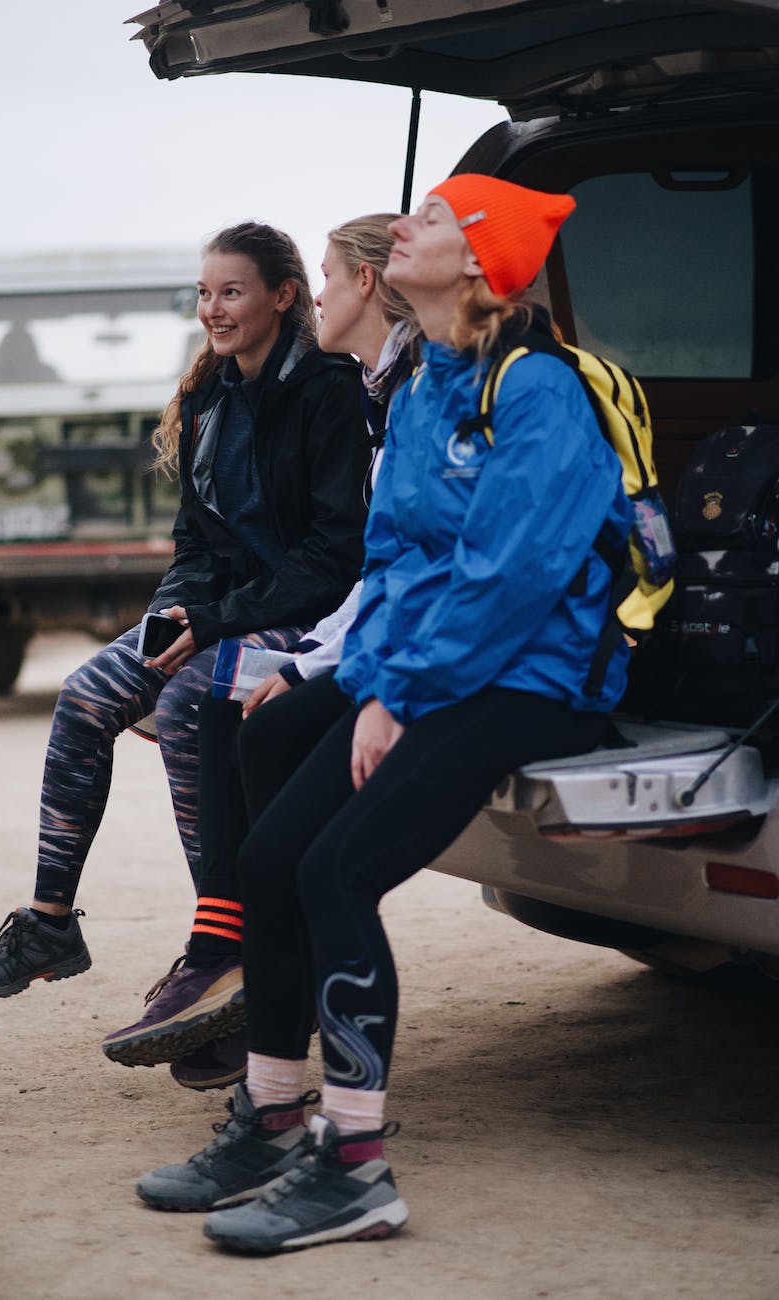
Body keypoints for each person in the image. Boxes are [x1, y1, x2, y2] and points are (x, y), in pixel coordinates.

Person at [136, 175, 635, 1254]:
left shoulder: (535, 388)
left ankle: (354, 1164)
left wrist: (395, 697)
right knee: (269, 851)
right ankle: (271, 1115)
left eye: (437, 220)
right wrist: (351, 678)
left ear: (477, 262)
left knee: (333, 870)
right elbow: (399, 559)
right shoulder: (422, 389)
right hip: (438, 665)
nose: (405, 227)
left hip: (534, 677)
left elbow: (514, 576)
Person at [0, 221, 368, 1000]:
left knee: (182, 709)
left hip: (308, 612)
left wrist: (215, 623)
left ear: (282, 297)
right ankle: (48, 924)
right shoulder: (209, 393)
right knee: (82, 697)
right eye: (204, 292)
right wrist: (175, 615)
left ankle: (225, 936)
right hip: (219, 608)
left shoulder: (327, 391)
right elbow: (196, 538)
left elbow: (333, 555)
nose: (213, 307)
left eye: (231, 291)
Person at [99, 215, 419, 1083]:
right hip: (370, 641)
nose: (317, 296)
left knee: (313, 865)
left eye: (326, 277)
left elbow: (392, 566)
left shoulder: (393, 393)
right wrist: (300, 658)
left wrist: (337, 666)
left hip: (434, 663)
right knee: (224, 721)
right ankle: (224, 972)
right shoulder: (383, 389)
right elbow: (380, 567)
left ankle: (285, 1067)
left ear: (367, 285)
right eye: (203, 293)